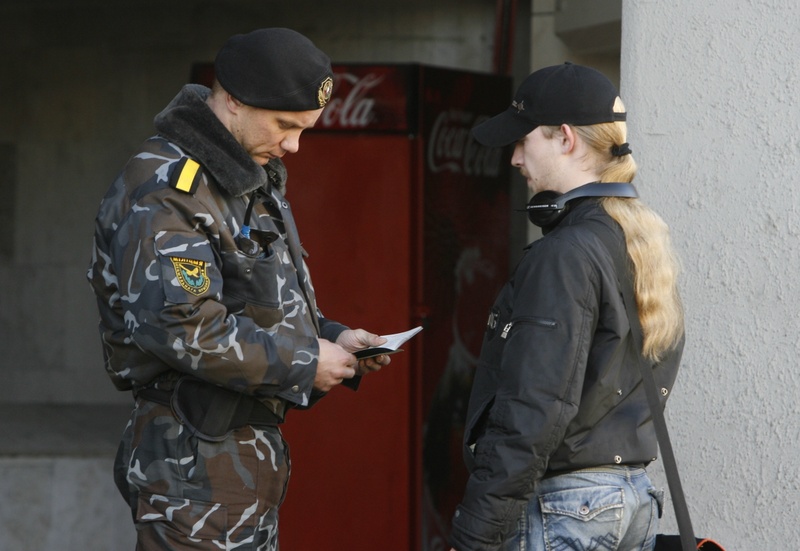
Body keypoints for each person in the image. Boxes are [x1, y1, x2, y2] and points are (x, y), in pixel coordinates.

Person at [87, 28, 391, 550]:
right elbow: (183, 328)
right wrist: (302, 362)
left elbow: (256, 300)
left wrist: (331, 339)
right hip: (194, 466)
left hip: (233, 463)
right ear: (231, 100)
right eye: (284, 125)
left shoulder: (241, 174)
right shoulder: (171, 187)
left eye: (304, 129)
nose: (294, 144)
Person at [447, 63, 685, 551]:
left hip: (565, 508)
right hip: (631, 500)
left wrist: (475, 534)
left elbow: (532, 409)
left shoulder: (565, 253)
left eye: (522, 140)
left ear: (565, 139)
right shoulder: (639, 240)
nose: (514, 158)